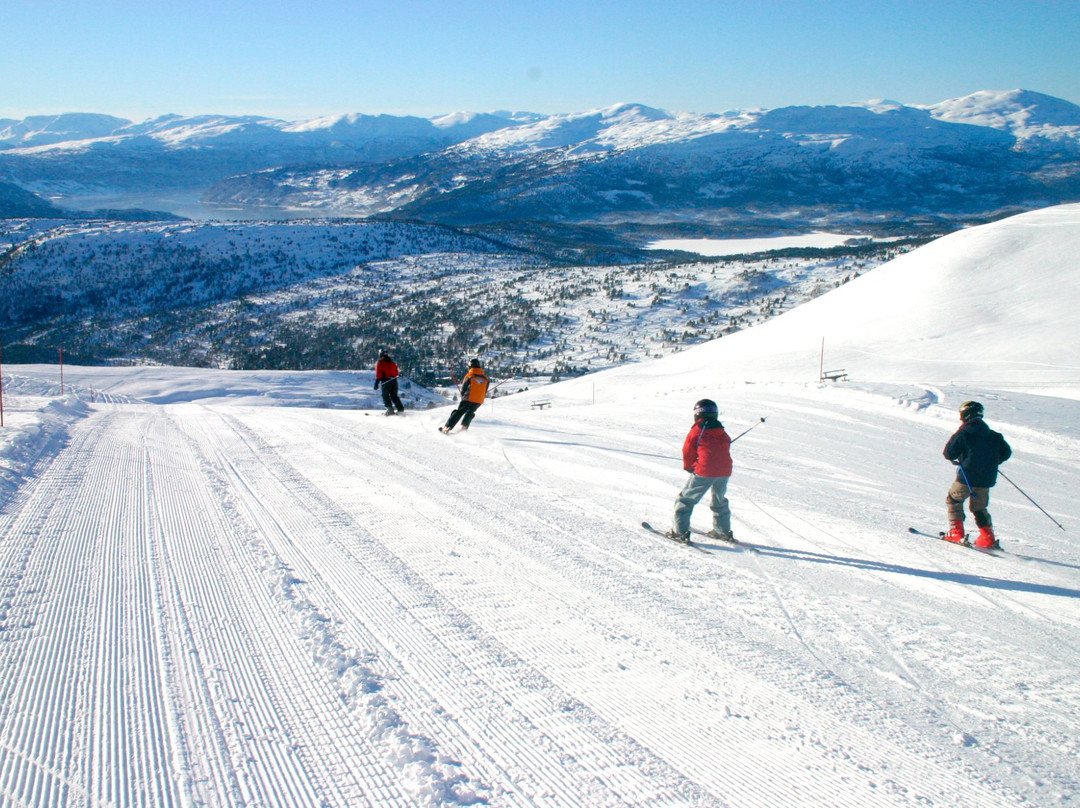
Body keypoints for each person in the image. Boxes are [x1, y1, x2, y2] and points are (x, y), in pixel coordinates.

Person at [942, 400, 1012, 549]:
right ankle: (987, 538)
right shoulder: (994, 435)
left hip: (966, 477)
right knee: (979, 507)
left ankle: (956, 533)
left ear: (965, 415)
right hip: (986, 479)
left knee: (954, 500)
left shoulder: (964, 433)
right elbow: (1006, 452)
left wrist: (961, 459)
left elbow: (949, 453)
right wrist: (992, 462)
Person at [666, 399, 736, 543]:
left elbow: (688, 450)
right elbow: (725, 444)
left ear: (697, 414)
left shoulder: (697, 430)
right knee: (719, 500)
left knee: (685, 500)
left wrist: (689, 466)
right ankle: (722, 531)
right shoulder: (721, 430)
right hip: (724, 471)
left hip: (705, 471)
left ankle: (679, 532)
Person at [440, 359, 489, 433]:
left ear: (470, 366)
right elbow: (485, 390)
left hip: (468, 398)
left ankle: (447, 428)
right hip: (479, 400)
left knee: (459, 412)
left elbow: (464, 388)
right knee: (470, 412)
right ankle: (464, 428)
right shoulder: (485, 377)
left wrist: (463, 395)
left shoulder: (469, 375)